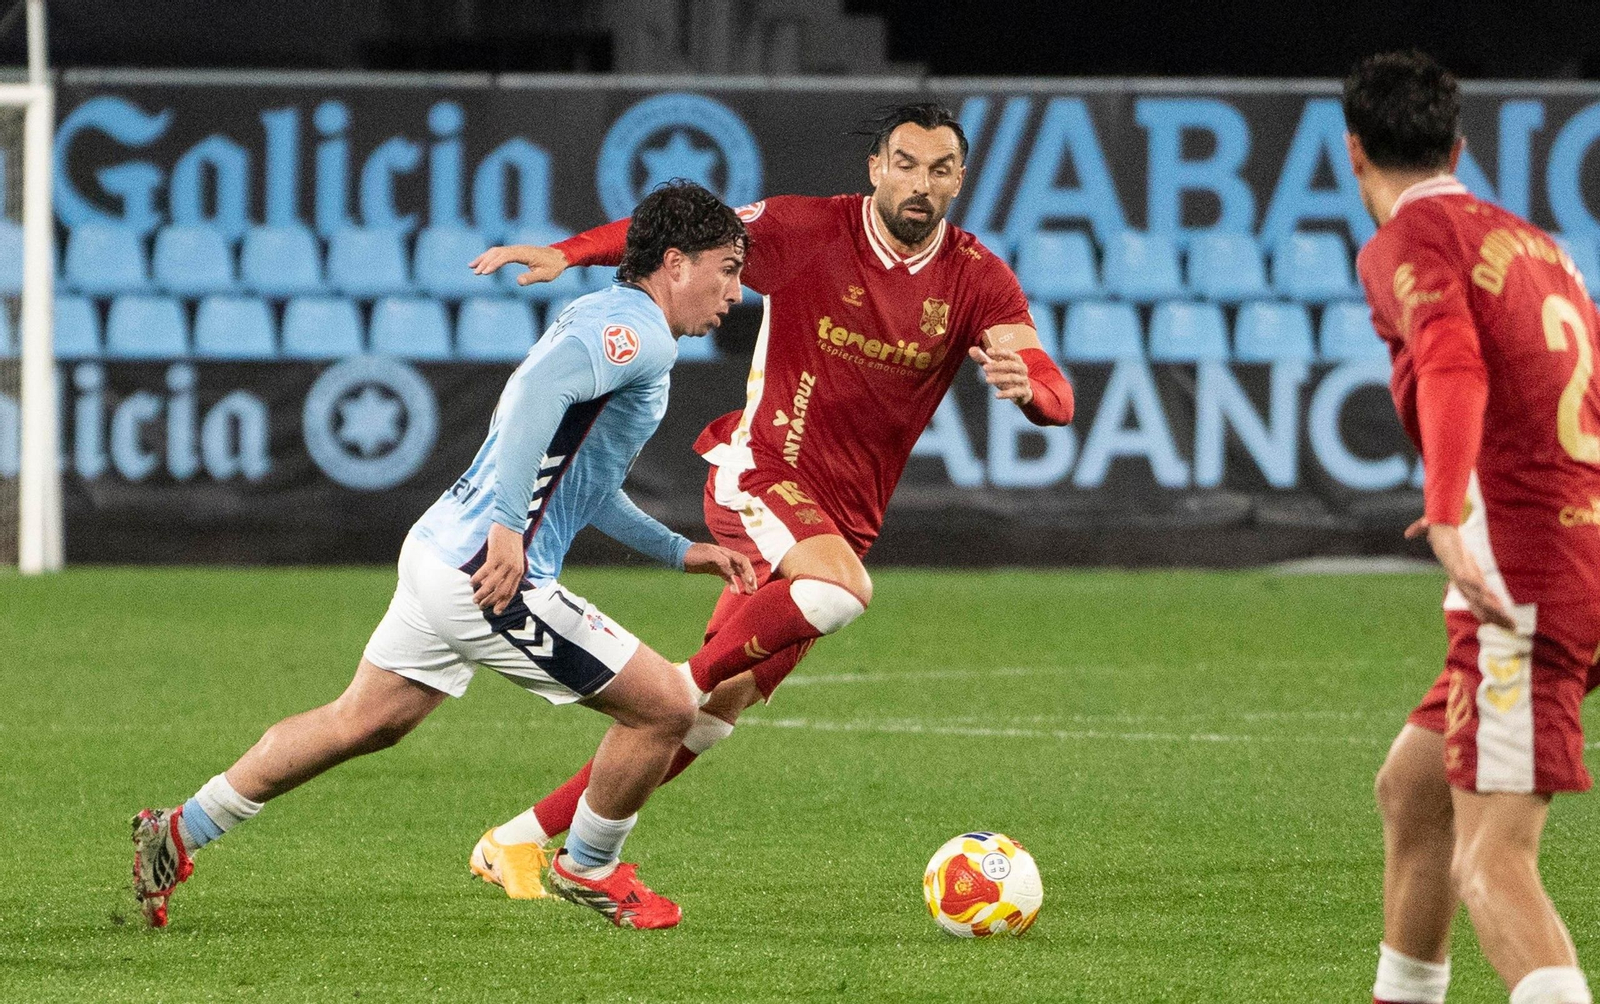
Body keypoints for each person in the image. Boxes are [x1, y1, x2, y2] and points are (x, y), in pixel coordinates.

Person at [465, 102, 1074, 898]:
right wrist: (569, 252)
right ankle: (653, 724)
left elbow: (1055, 393)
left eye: (939, 169)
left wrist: (1033, 393)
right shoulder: (806, 229)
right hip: (761, 472)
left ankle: (517, 839)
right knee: (830, 595)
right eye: (905, 163)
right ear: (876, 168)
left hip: (844, 517)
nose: (920, 184)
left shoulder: (976, 277)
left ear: (959, 180)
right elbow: (677, 237)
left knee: (711, 718)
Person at [131, 181, 758, 931]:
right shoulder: (640, 333)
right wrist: (505, 530)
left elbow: (581, 482)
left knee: (363, 721)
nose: (735, 293)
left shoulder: (603, 316)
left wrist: (677, 550)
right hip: (488, 574)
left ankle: (179, 829)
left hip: (439, 551)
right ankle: (589, 865)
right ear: (676, 263)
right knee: (666, 707)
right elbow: (530, 399)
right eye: (727, 269)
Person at [1345, 52, 1600, 1004]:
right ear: (1458, 145)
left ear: (1353, 151)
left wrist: (1447, 511)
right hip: (1585, 549)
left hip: (1520, 578)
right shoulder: (1538, 245)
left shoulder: (1407, 241)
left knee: (1493, 862)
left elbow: (1451, 360)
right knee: (1413, 795)